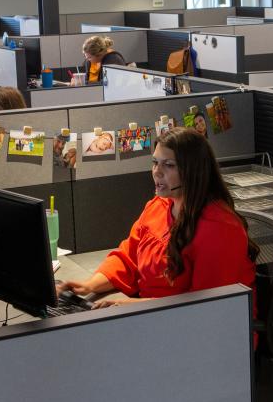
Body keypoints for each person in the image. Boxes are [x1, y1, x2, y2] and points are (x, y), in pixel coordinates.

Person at [59, 128, 259, 317]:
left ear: (193, 171)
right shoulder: (159, 205)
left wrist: (137, 307)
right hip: (155, 316)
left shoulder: (220, 228)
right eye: (155, 162)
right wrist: (89, 285)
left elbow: (206, 307)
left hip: (206, 334)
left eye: (169, 165)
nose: (157, 171)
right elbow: (128, 258)